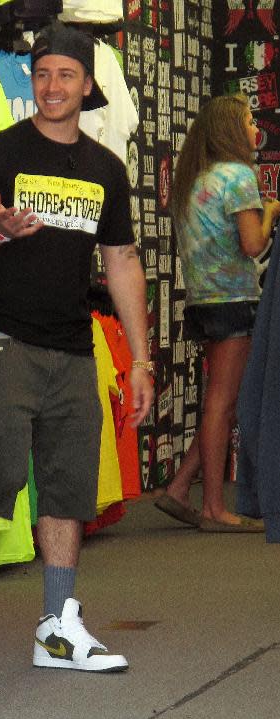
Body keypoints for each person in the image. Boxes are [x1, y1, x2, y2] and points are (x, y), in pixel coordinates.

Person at [0, 21, 154, 675]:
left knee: (69, 485)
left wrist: (143, 357)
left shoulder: (106, 169)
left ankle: (57, 623)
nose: (52, 85)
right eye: (42, 72)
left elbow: (123, 262)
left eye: (65, 75)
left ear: (84, 87)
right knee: (0, 470)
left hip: (73, 345)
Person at [155, 94, 280, 533]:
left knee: (220, 404)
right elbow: (252, 245)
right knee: (222, 405)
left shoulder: (195, 178)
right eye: (248, 121)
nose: (255, 129)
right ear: (231, 129)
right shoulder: (239, 177)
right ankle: (213, 507)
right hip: (234, 301)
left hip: (203, 302)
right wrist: (271, 213)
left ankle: (179, 487)